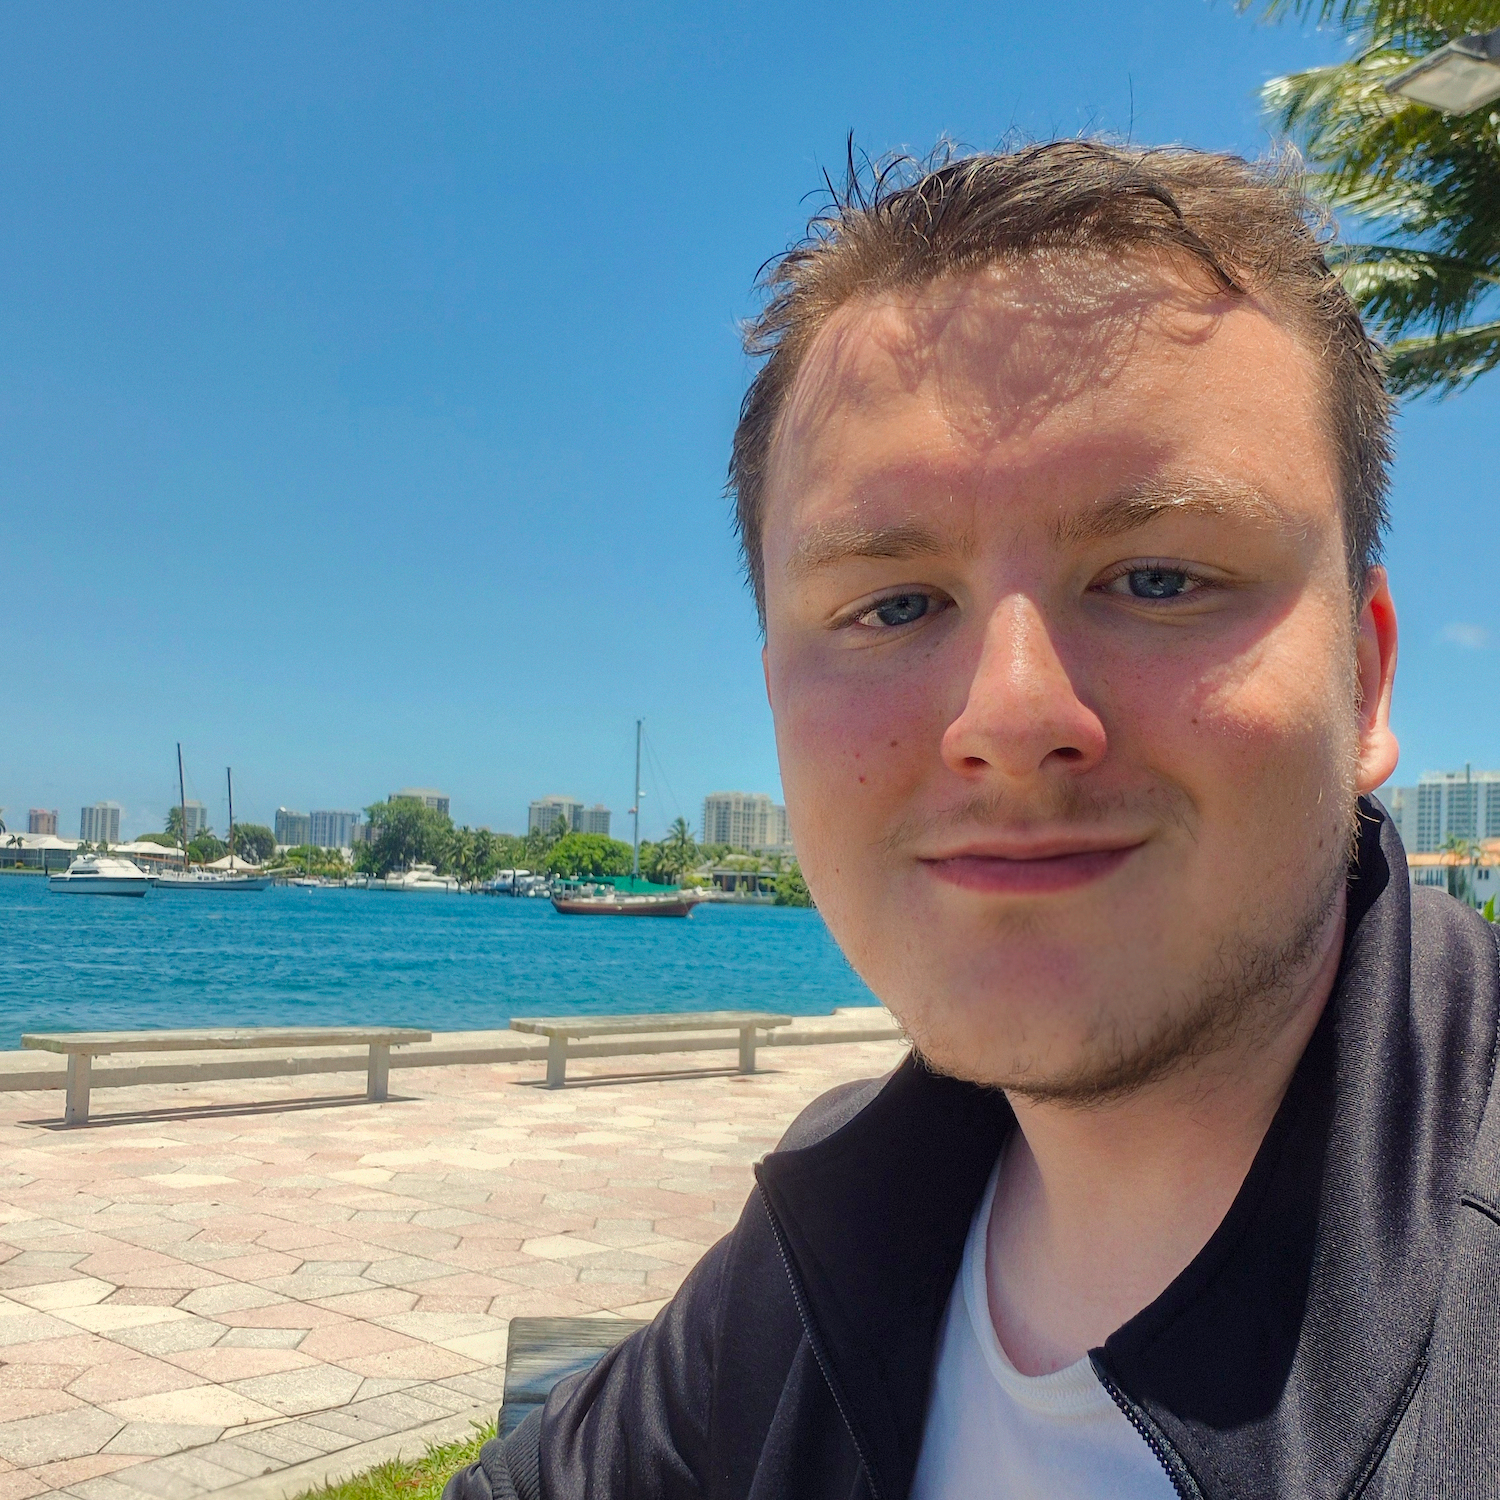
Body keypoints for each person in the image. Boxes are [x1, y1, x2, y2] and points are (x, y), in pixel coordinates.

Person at [446, 141, 1500, 1500]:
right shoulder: (835, 1233)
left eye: (1161, 576)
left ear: (1366, 680)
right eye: (893, 606)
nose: (1008, 714)